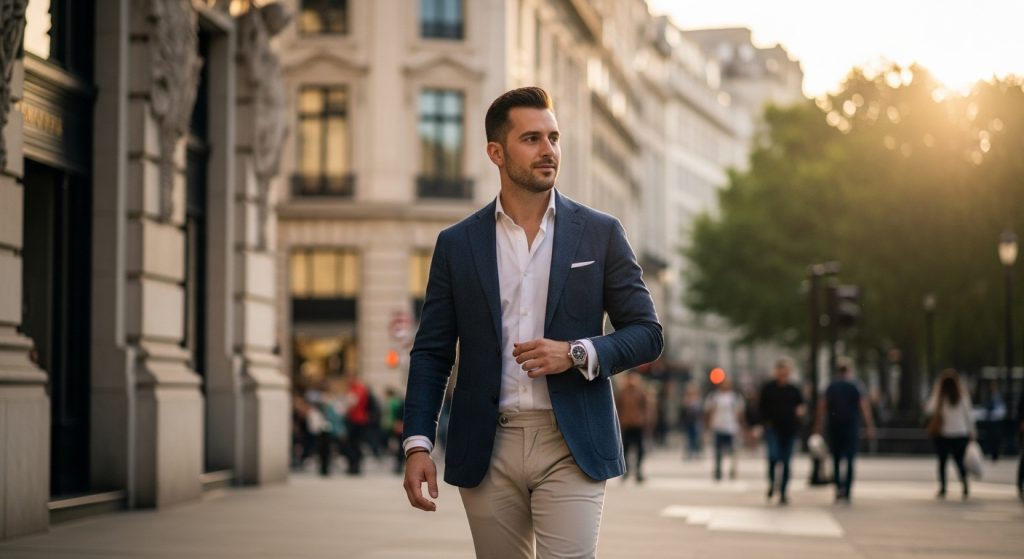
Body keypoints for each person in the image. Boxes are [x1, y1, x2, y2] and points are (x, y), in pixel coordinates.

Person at [401, 86, 663, 559]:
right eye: (532, 139)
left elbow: (648, 334)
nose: (548, 151)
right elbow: (432, 353)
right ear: (495, 152)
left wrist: (577, 353)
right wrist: (418, 444)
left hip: (572, 442)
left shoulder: (601, 233)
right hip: (487, 445)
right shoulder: (457, 245)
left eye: (554, 137)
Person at [815, 357, 875, 502]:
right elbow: (864, 407)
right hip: (851, 426)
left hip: (834, 426)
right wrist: (869, 426)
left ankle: (838, 489)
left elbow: (822, 406)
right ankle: (847, 490)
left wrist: (818, 424)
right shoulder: (856, 385)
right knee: (850, 459)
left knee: (835, 459)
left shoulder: (831, 386)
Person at [758, 356, 805, 505]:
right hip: (773, 429)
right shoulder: (768, 388)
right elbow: (761, 408)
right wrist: (763, 424)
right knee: (773, 457)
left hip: (789, 429)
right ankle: (772, 483)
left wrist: (800, 413)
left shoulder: (794, 390)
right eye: (781, 372)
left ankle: (783, 492)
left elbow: (801, 406)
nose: (783, 375)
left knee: (786, 461)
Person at [925, 369, 976, 499]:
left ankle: (943, 488)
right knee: (959, 461)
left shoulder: (940, 396)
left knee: (942, 462)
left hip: (943, 434)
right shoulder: (962, 396)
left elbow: (928, 409)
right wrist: (972, 431)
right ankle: (964, 484)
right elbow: (969, 415)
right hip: (961, 433)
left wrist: (935, 393)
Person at [704, 377, 745, 481]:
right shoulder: (714, 396)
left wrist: (741, 426)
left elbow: (740, 413)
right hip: (718, 426)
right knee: (718, 451)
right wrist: (708, 425)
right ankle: (718, 470)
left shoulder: (735, 397)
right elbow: (708, 411)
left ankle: (733, 470)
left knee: (733, 451)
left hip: (731, 427)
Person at [615, 372, 651, 482]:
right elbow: (617, 408)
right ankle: (626, 471)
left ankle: (638, 471)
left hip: (638, 424)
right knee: (625, 449)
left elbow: (646, 408)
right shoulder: (621, 392)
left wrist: (646, 421)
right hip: (625, 424)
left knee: (639, 449)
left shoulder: (640, 392)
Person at [679, 383, 703, 460]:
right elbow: (683, 412)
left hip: (696, 422)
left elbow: (699, 412)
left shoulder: (698, 400)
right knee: (688, 438)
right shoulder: (685, 400)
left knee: (695, 437)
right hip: (688, 422)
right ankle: (689, 452)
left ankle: (696, 452)